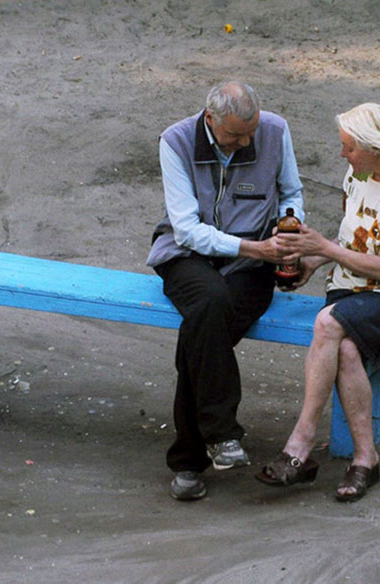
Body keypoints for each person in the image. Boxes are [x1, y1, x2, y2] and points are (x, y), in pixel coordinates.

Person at [255, 103, 380, 503]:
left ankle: (301, 441)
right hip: (350, 285)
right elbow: (352, 239)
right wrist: (313, 262)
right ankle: (365, 459)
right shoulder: (359, 172)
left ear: (377, 148)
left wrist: (322, 248)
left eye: (350, 147)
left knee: (328, 323)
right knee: (347, 349)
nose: (343, 154)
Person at [146, 81, 305, 501]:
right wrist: (254, 247)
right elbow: (186, 229)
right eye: (235, 135)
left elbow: (291, 192)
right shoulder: (175, 141)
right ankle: (221, 433)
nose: (246, 142)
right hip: (187, 255)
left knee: (200, 334)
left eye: (251, 132)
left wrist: (289, 227)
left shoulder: (275, 131)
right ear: (210, 119)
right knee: (211, 302)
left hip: (253, 265)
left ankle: (188, 461)